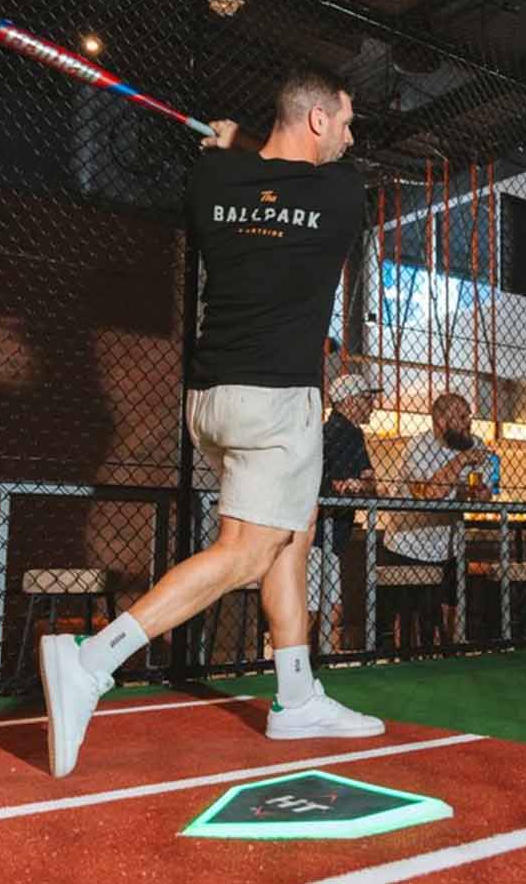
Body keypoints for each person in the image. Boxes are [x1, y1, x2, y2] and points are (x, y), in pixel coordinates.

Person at [38, 65, 382, 779]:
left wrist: (235, 147)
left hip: (212, 398)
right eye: (345, 122)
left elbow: (265, 172)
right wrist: (241, 140)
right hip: (277, 399)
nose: (350, 138)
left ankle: (296, 697)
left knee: (292, 531)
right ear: (318, 119)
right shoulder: (342, 193)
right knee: (247, 551)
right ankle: (91, 660)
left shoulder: (211, 181)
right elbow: (294, 174)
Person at [385, 394, 491, 645]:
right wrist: (461, 460)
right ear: (441, 422)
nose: (468, 422)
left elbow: (484, 490)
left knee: (448, 610)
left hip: (449, 544)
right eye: (461, 417)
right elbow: (430, 493)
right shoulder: (419, 447)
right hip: (408, 543)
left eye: (468, 416)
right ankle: (405, 660)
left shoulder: (475, 444)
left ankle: (446, 656)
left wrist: (481, 493)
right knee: (408, 616)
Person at [312, 373, 380, 652]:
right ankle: (308, 661)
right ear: (349, 401)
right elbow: (364, 484)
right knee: (319, 606)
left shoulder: (344, 432)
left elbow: (368, 483)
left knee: (325, 605)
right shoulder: (342, 432)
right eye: (367, 398)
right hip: (319, 534)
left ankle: (316, 660)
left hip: (325, 533)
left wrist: (356, 485)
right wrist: (346, 486)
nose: (373, 404)